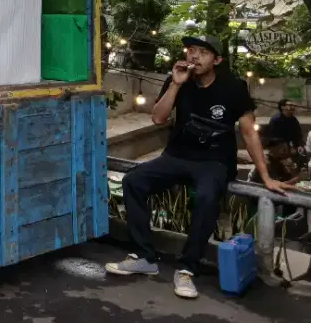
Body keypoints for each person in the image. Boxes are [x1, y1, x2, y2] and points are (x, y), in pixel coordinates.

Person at [105, 35, 292, 299]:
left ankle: (187, 268)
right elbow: (158, 118)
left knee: (206, 197)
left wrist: (266, 177)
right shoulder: (178, 81)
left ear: (216, 60)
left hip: (214, 161)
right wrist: (175, 85)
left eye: (202, 52)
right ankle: (144, 256)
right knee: (133, 181)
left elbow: (249, 133)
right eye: (191, 50)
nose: (194, 56)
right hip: (177, 155)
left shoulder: (233, 86)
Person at [268, 99, 306, 165]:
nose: (293, 107)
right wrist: (288, 148)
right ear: (282, 107)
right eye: (290, 105)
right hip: (280, 149)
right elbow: (274, 138)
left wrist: (300, 146)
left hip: (292, 147)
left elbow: (298, 134)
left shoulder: (294, 120)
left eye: (293, 105)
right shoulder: (276, 120)